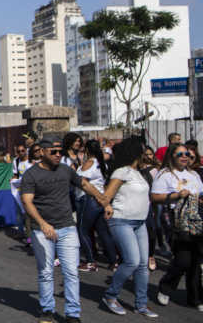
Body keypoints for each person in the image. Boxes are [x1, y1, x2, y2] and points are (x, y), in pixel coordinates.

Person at [20, 139, 112, 323]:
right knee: (46, 272)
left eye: (60, 151)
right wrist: (42, 223)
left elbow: (84, 184)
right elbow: (27, 201)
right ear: (42, 152)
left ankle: (72, 314)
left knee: (71, 272)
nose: (57, 154)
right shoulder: (31, 174)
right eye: (53, 151)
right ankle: (47, 310)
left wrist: (104, 200)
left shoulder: (65, 170)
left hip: (67, 227)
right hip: (42, 230)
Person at [100, 137, 158, 317]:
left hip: (139, 223)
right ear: (135, 152)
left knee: (142, 265)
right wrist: (107, 206)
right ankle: (110, 296)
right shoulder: (121, 172)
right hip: (121, 220)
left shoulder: (138, 173)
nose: (145, 154)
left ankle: (141, 304)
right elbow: (106, 196)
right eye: (142, 150)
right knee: (132, 261)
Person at [151, 143, 203, 311]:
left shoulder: (194, 174)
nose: (184, 156)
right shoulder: (165, 174)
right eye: (180, 153)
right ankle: (166, 286)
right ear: (172, 156)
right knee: (183, 259)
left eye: (187, 154)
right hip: (176, 219)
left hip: (196, 219)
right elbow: (154, 197)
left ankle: (195, 298)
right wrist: (176, 195)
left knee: (196, 260)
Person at [76, 140, 118, 273]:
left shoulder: (89, 163)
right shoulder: (102, 164)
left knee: (83, 230)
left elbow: (83, 181)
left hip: (89, 199)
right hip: (100, 200)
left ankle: (90, 261)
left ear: (87, 151)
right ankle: (113, 261)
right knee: (103, 232)